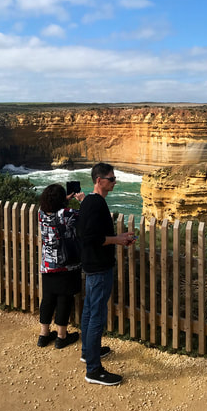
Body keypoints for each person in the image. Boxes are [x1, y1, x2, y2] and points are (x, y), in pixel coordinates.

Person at [77, 163, 136, 386]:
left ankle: (87, 352)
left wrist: (118, 236)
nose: (114, 182)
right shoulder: (95, 204)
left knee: (90, 311)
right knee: (97, 317)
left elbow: (90, 233)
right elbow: (90, 237)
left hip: (93, 265)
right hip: (99, 267)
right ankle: (93, 370)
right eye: (111, 179)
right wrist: (117, 240)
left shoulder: (89, 202)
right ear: (99, 181)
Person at [36, 183, 84, 349]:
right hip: (66, 264)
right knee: (64, 298)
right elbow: (86, 215)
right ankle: (61, 337)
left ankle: (43, 335)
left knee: (48, 298)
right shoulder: (67, 214)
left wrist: (63, 199)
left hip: (48, 263)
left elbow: (53, 207)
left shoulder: (41, 213)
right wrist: (82, 200)